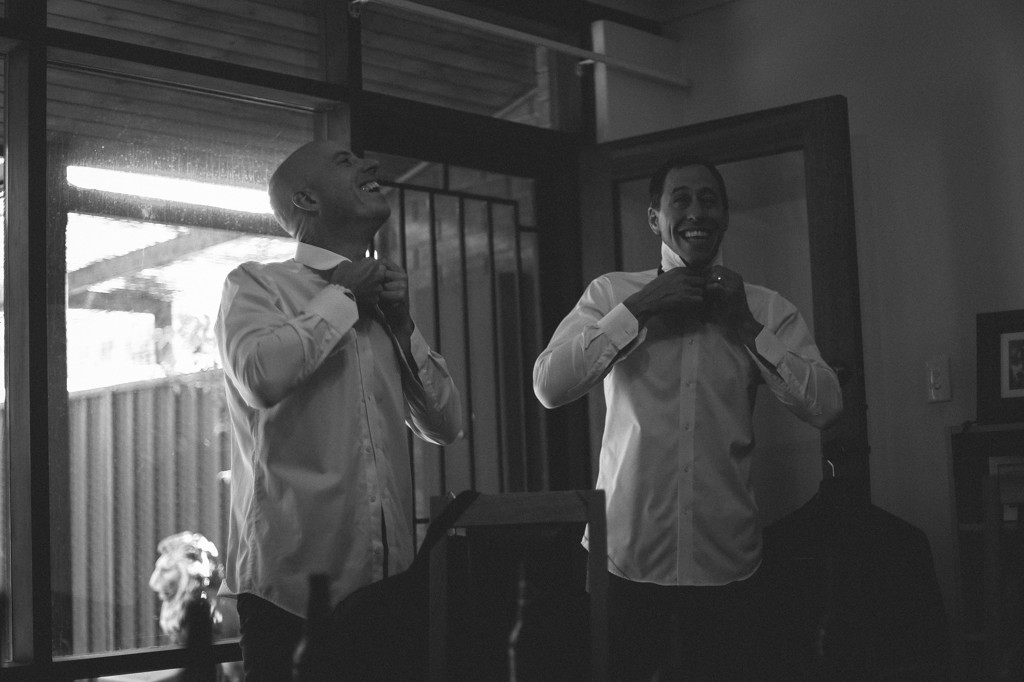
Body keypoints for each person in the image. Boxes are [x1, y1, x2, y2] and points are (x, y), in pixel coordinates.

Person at [533, 156, 843, 680]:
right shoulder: (610, 294)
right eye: (680, 199)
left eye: (709, 199)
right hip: (623, 557)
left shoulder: (766, 309)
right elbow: (549, 385)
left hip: (728, 561)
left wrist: (746, 327)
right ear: (655, 218)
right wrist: (640, 308)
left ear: (725, 215)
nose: (696, 211)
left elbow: (826, 406)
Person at [215, 141, 464, 680]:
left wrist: (403, 325)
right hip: (289, 600)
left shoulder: (386, 307)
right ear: (306, 199)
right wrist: (344, 299)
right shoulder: (255, 284)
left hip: (391, 594)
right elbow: (260, 377)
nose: (372, 165)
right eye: (346, 161)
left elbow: (446, 426)